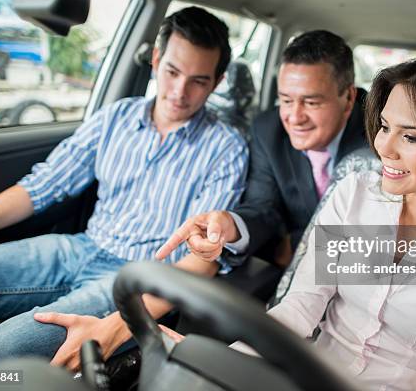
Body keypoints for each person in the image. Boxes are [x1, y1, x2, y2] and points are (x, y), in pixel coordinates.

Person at [162, 51, 416, 389]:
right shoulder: (353, 195)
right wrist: (222, 361)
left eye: (411, 137)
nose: (383, 148)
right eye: (385, 126)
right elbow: (300, 306)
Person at [0, 6, 248, 368]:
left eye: (198, 81)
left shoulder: (226, 147)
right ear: (156, 61)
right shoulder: (115, 118)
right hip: (80, 248)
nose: (179, 91)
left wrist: (123, 322)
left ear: (216, 82)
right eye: (172, 72)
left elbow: (203, 262)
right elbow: (42, 186)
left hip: (139, 278)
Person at [156, 29, 368, 267]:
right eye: (286, 100)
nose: (295, 117)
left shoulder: (384, 136)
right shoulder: (268, 131)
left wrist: (296, 243)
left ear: (348, 98)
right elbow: (263, 209)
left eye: (311, 102)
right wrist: (230, 226)